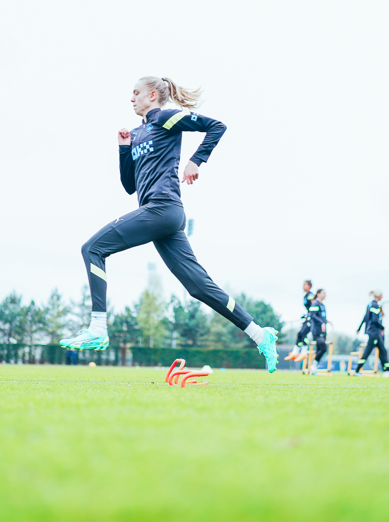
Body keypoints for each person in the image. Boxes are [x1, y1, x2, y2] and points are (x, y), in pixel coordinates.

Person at [59, 76, 279, 372]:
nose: (131, 98)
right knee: (199, 286)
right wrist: (124, 147)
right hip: (160, 216)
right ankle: (259, 334)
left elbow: (217, 126)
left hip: (164, 210)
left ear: (152, 95)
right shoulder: (137, 133)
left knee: (92, 249)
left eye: (135, 93)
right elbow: (129, 186)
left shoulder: (166, 117)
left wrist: (196, 161)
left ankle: (97, 328)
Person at [350, 290, 389, 377]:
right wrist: (382, 327)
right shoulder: (375, 305)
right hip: (374, 332)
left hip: (372, 331)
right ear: (379, 296)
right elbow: (374, 320)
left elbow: (365, 318)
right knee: (368, 352)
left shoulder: (370, 304)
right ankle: (357, 370)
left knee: (382, 351)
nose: (383, 297)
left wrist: (359, 328)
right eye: (382, 295)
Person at [285, 280, 315, 362]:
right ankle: (295, 353)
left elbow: (314, 305)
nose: (303, 286)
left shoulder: (311, 295)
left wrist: (310, 315)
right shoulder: (305, 296)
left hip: (313, 319)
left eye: (305, 285)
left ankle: (304, 353)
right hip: (308, 318)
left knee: (303, 333)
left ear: (309, 286)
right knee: (299, 334)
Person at [308, 289, 328, 375]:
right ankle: (313, 366)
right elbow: (313, 315)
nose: (325, 295)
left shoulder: (322, 305)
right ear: (318, 294)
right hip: (316, 331)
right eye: (324, 293)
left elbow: (321, 316)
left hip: (323, 331)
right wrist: (322, 322)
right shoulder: (315, 303)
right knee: (324, 348)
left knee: (319, 349)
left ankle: (313, 369)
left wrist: (326, 321)